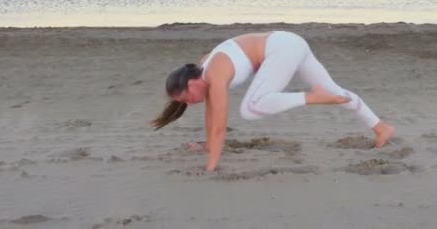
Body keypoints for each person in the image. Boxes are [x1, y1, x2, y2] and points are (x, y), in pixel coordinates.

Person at [151, 31, 395, 171]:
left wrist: (211, 166)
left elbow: (219, 125)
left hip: (281, 49)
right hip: (290, 42)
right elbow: (211, 115)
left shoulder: (214, 74)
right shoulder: (204, 68)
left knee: (251, 108)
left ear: (192, 84)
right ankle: (381, 127)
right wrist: (208, 146)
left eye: (187, 98)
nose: (191, 103)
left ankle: (312, 97)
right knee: (334, 92)